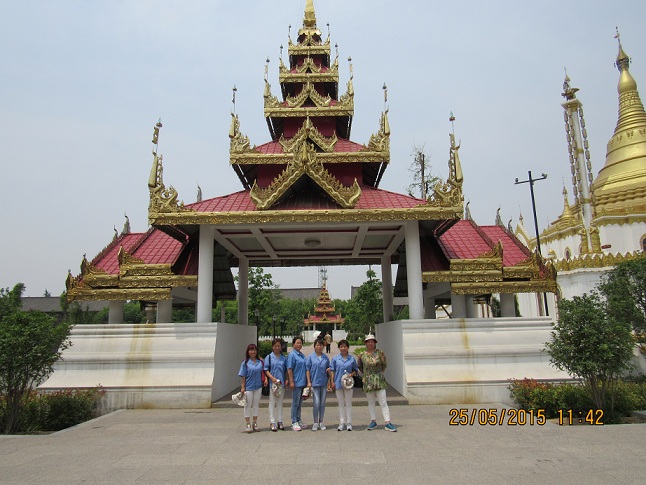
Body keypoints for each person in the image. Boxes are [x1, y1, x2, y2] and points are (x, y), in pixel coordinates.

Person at [358, 333, 397, 432]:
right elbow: (360, 367)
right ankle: (373, 421)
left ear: (375, 343)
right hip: (368, 380)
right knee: (371, 402)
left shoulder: (380, 353)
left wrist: (378, 374)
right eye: (368, 342)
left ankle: (387, 422)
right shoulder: (362, 355)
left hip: (379, 379)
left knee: (383, 401)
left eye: (372, 342)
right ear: (366, 343)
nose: (370, 343)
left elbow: (384, 365)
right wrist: (367, 375)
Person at [329, 339, 359, 431]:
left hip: (348, 383)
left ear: (348, 348)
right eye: (341, 347)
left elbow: (355, 370)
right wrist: (332, 381)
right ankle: (342, 422)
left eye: (345, 346)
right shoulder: (335, 359)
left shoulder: (352, 359)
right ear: (339, 348)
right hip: (338, 383)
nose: (343, 348)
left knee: (348, 403)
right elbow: (332, 370)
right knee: (341, 403)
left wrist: (351, 374)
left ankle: (349, 422)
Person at [238, 343, 266, 433]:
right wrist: (243, 387)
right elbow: (243, 376)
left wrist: (265, 379)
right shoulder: (245, 363)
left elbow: (264, 372)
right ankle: (247, 423)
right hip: (249, 387)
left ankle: (255, 422)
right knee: (247, 405)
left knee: (256, 405)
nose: (252, 352)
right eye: (251, 350)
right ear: (248, 351)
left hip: (258, 386)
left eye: (254, 350)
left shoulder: (260, 362)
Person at [264, 338, 289, 431]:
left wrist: (287, 379)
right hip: (273, 383)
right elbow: (266, 370)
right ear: (272, 347)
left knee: (280, 403)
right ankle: (272, 421)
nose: (277, 348)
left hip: (281, 383)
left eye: (278, 346)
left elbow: (286, 370)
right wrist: (272, 378)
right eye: (275, 346)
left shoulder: (284, 358)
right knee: (272, 402)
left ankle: (280, 421)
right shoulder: (269, 357)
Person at [306, 338, 331, 431]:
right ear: (314, 346)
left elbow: (329, 369)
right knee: (316, 403)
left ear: (323, 346)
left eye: (320, 345)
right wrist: (309, 382)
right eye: (317, 345)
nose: (319, 347)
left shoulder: (325, 358)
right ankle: (315, 422)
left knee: (322, 403)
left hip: (323, 383)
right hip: (314, 383)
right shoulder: (310, 357)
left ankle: (321, 421)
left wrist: (329, 371)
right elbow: (307, 370)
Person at [287, 336, 308, 431]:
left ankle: (299, 420)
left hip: (302, 382)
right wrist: (291, 381)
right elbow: (289, 369)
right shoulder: (292, 355)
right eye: (297, 343)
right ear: (293, 344)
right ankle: (294, 421)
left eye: (300, 343)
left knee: (299, 403)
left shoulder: (302, 355)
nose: (299, 345)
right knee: (295, 403)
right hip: (296, 382)